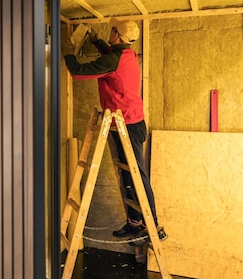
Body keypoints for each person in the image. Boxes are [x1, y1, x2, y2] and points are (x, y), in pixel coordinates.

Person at [62, 18, 167, 242]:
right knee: (129, 175)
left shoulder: (113, 59)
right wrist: (97, 41)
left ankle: (153, 226)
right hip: (128, 122)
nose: (110, 32)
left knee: (138, 175)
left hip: (126, 124)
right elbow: (111, 55)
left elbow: (78, 72)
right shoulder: (128, 54)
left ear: (117, 35)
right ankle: (135, 222)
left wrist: (68, 52)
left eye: (111, 30)